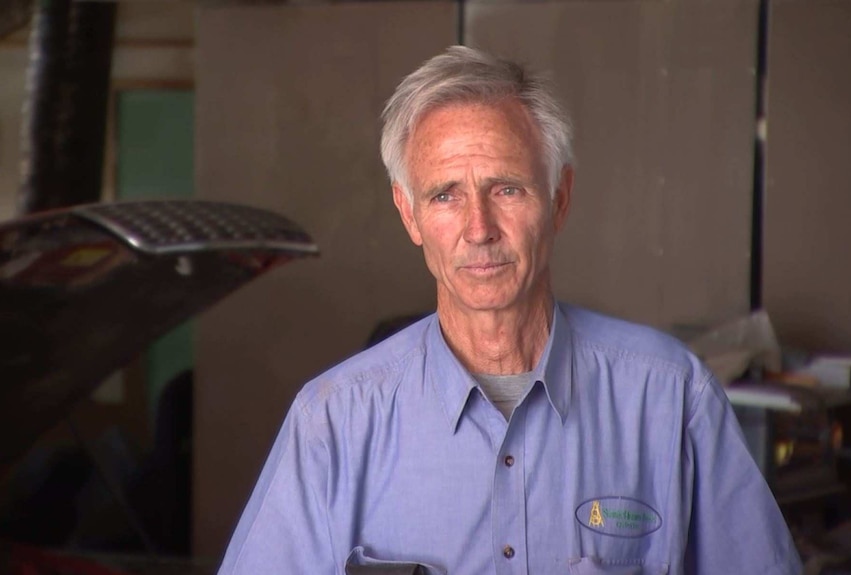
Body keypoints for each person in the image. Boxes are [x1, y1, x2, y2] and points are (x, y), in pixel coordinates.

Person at [218, 46, 801, 574]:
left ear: (559, 198)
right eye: (444, 195)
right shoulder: (334, 422)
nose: (478, 229)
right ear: (409, 214)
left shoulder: (672, 398)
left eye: (506, 189)